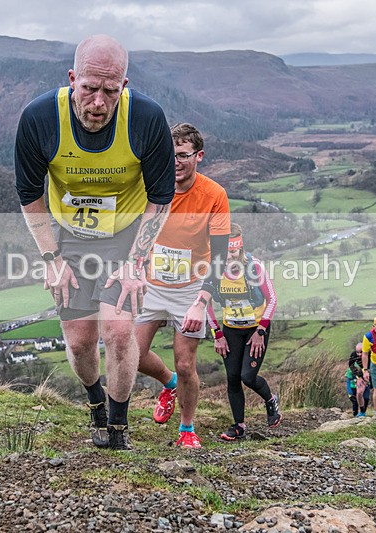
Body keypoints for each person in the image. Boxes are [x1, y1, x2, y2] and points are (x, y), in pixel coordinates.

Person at [14, 35, 175, 450]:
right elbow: (29, 193)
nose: (99, 103)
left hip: (126, 240)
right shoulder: (39, 118)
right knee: (79, 340)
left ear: (124, 85)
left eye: (110, 90)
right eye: (89, 88)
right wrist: (51, 258)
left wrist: (136, 263)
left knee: (119, 333)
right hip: (70, 238)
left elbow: (161, 197)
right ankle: (95, 404)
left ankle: (118, 427)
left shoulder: (146, 118)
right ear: (72, 79)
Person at [134, 123, 230, 449]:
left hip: (190, 288)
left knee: (186, 363)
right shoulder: (151, 186)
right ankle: (169, 383)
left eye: (183, 155)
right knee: (132, 355)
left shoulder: (214, 195)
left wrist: (201, 302)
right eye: (170, 155)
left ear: (199, 156)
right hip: (152, 284)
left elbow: (220, 256)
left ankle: (187, 429)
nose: (175, 162)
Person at [206, 223, 282, 441]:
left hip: (255, 330)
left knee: (247, 377)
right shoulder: (214, 270)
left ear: (240, 248)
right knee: (232, 378)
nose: (229, 257)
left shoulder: (255, 268)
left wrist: (261, 331)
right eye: (226, 251)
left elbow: (272, 299)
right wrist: (217, 334)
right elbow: (206, 303)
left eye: (234, 251)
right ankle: (238, 426)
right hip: (230, 330)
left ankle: (270, 400)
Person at [347, 343, 371, 417]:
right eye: (357, 352)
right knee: (359, 393)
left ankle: (365, 411)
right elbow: (351, 365)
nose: (359, 354)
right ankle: (361, 412)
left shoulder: (370, 355)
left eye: (361, 352)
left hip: (370, 373)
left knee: (366, 397)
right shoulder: (353, 355)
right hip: (360, 374)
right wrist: (359, 376)